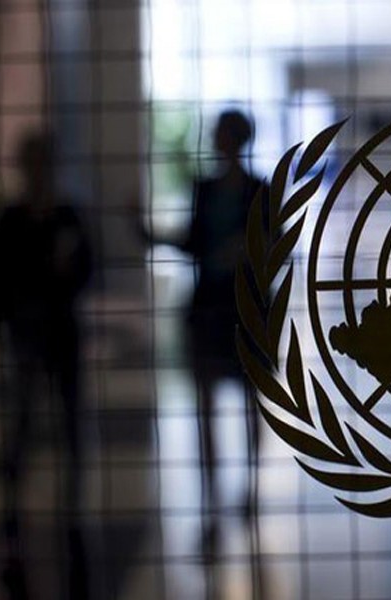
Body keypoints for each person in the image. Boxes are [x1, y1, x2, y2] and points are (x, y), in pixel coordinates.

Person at [134, 110, 265, 553]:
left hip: (243, 312)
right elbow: (193, 241)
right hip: (209, 310)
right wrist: (151, 235)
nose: (216, 140)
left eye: (221, 134)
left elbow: (272, 248)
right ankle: (217, 490)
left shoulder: (257, 191)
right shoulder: (207, 189)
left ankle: (248, 485)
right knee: (208, 404)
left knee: (249, 404)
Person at [0, 130, 92, 599]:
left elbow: (87, 269)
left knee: (68, 418)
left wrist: (64, 274)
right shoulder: (13, 219)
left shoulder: (66, 214)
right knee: (25, 419)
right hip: (28, 335)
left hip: (60, 334)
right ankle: (14, 505)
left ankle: (72, 503)